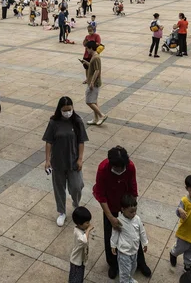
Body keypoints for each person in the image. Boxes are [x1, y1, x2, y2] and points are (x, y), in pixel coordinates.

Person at [93, 146, 151, 280]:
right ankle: (113, 264)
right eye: (117, 168)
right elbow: (100, 195)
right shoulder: (103, 169)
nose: (119, 170)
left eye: (121, 167)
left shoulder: (130, 167)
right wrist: (110, 217)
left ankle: (140, 262)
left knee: (133, 232)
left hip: (125, 205)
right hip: (110, 206)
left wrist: (131, 210)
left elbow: (133, 188)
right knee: (111, 233)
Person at [42, 96, 88, 227]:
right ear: (59, 109)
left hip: (73, 162)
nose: (68, 112)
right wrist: (47, 160)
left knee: (77, 186)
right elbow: (49, 142)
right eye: (65, 110)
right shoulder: (53, 123)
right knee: (59, 188)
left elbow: (81, 141)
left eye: (70, 109)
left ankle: (75, 201)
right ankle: (61, 212)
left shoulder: (77, 121)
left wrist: (80, 159)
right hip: (58, 162)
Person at [110, 194, 149, 283]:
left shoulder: (137, 219)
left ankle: (130, 279)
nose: (134, 214)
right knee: (124, 272)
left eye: (135, 211)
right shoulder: (119, 220)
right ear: (123, 209)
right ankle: (124, 281)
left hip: (134, 250)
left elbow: (142, 231)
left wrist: (145, 242)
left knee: (133, 267)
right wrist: (113, 245)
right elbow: (115, 233)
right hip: (124, 252)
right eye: (131, 212)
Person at [82, 40, 106, 126]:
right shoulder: (94, 56)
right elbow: (93, 67)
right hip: (92, 81)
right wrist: (87, 63)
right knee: (94, 101)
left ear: (91, 48)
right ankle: (96, 119)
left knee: (89, 101)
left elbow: (97, 70)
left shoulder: (96, 57)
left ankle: (101, 115)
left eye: (87, 49)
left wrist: (92, 82)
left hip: (94, 83)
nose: (87, 51)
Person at [70, 206, 93, 283]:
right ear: (79, 224)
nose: (89, 224)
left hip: (81, 260)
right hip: (76, 261)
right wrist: (88, 230)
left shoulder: (81, 229)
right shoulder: (78, 232)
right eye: (87, 223)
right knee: (76, 278)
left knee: (79, 277)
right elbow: (84, 241)